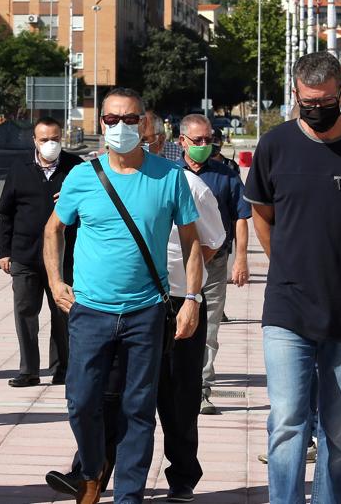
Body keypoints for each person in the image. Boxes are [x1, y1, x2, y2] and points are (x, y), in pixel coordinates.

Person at [245, 52, 341, 504]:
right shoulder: (275, 146)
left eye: (325, 100)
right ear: (295, 95)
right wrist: (294, 267)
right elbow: (262, 215)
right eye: (306, 102)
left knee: (340, 429)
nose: (315, 110)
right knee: (287, 422)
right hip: (289, 310)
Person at [41, 87, 205, 504]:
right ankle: (92, 470)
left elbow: (191, 243)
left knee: (138, 409)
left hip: (146, 312)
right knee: (80, 400)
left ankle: (128, 495)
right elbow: (53, 230)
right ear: (101, 125)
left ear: (144, 124)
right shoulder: (82, 176)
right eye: (111, 120)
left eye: (129, 119)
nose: (120, 127)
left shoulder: (169, 178)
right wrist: (57, 282)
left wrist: (192, 300)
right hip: (89, 312)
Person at [145, 112, 227, 502]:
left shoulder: (189, 186)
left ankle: (181, 477)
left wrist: (186, 282)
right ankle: (93, 470)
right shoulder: (100, 180)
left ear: (163, 142)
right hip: (127, 303)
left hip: (178, 301)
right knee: (113, 394)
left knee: (179, 398)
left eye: (145, 136)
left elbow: (212, 240)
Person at [171, 116, 252, 417]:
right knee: (169, 325)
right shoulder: (166, 175)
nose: (205, 145)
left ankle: (202, 390)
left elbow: (241, 217)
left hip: (214, 264)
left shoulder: (226, 175)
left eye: (209, 140)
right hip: (174, 266)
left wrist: (240, 259)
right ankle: (166, 385)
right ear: (182, 142)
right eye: (198, 140)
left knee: (209, 328)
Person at [0, 116, 81, 387]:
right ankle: (29, 370)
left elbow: (92, 210)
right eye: (44, 139)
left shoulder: (75, 169)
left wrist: (74, 200)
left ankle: (63, 369)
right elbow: (6, 213)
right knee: (25, 313)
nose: (50, 144)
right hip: (25, 255)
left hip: (63, 256)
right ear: (35, 140)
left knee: (63, 313)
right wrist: (4, 251)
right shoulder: (20, 168)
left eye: (55, 139)